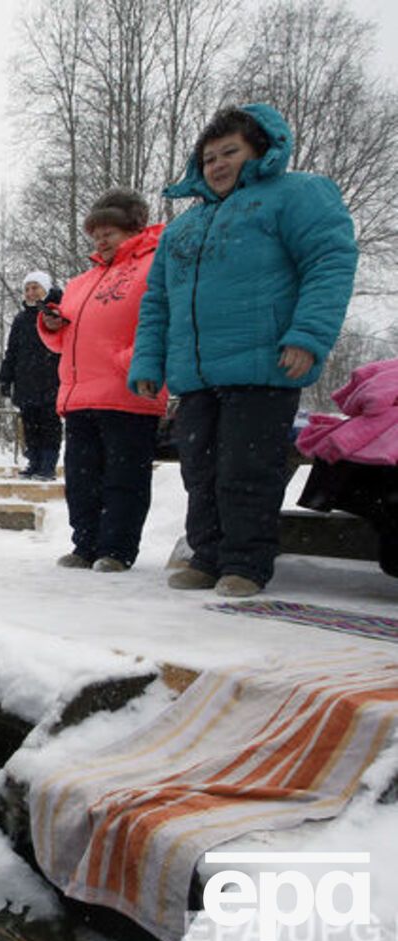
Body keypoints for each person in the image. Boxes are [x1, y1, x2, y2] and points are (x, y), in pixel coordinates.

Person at [129, 104, 358, 597]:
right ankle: (207, 556)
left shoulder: (295, 194)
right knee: (200, 471)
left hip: (261, 365)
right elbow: (158, 300)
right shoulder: (183, 227)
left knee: (246, 469)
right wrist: (148, 361)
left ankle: (245, 564)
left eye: (229, 152)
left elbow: (329, 262)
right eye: (208, 158)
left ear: (260, 151)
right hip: (196, 374)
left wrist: (307, 336)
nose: (217, 165)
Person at [40, 188, 169, 573]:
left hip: (128, 391)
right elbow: (63, 339)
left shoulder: (155, 266)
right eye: (95, 234)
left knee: (123, 478)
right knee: (81, 480)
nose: (100, 240)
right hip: (79, 395)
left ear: (133, 229)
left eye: (109, 232)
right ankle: (85, 545)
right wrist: (51, 325)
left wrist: (130, 361)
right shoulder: (82, 281)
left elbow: (164, 321)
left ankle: (116, 549)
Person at [0, 271, 64, 480]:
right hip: (25, 382)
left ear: (46, 289)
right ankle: (33, 462)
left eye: (35, 288)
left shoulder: (56, 314)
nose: (30, 293)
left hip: (51, 380)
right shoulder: (21, 319)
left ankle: (48, 464)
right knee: (30, 425)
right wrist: (5, 378)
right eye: (27, 289)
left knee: (49, 424)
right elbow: (12, 351)